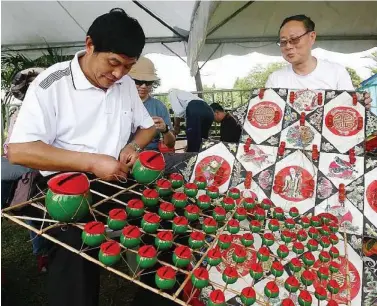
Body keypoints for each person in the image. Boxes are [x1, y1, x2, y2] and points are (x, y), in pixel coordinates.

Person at [7, 8, 156, 306]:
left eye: (128, 67)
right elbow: (18, 150)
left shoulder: (125, 85)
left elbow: (147, 128)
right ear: (90, 45)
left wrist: (133, 147)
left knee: (159, 220)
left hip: (114, 179)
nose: (118, 74)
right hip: (65, 188)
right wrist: (91, 162)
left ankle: (154, 296)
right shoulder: (52, 84)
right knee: (75, 249)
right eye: (113, 63)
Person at [266, 14, 372, 109]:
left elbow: (349, 109)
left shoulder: (336, 72)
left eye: (294, 39)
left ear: (312, 37)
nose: (288, 46)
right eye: (283, 42)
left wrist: (359, 107)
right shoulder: (275, 79)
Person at [128, 56, 176, 152]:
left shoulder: (159, 106)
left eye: (148, 82)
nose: (144, 86)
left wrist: (165, 130)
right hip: (125, 154)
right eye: (139, 82)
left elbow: (171, 144)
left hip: (151, 155)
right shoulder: (119, 103)